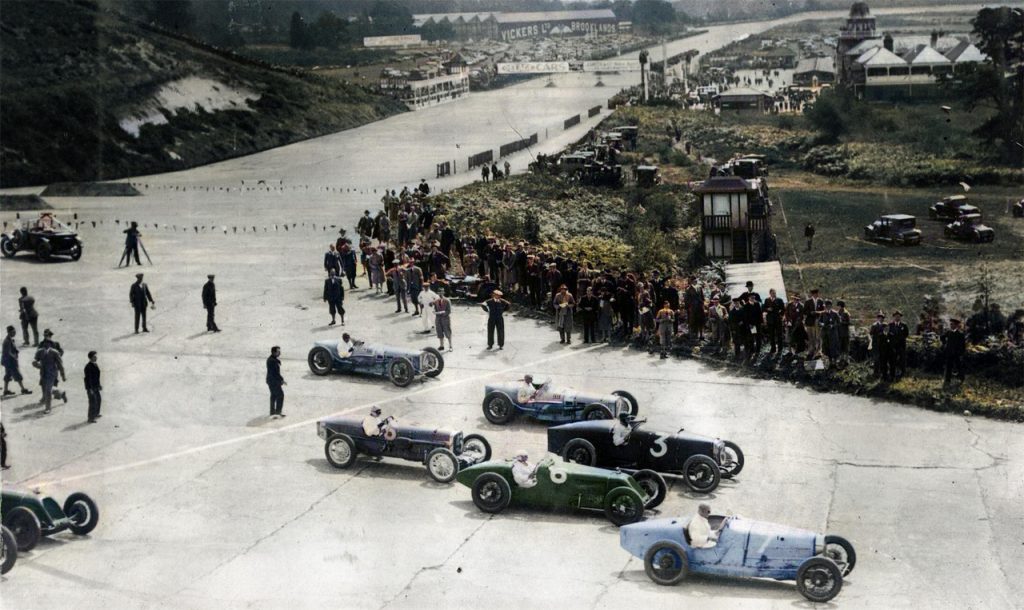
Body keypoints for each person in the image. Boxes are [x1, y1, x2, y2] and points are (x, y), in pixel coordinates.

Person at [34, 342, 66, 413]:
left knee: (48, 390)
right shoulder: (40, 351)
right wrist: (36, 364)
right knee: (47, 389)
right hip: (43, 374)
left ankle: (48, 408)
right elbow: (36, 360)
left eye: (47, 344)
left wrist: (63, 375)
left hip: (52, 374)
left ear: (50, 345)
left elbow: (60, 365)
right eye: (44, 344)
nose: (45, 345)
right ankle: (61, 393)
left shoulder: (55, 352)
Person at [2, 326, 31, 396]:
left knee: (8, 375)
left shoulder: (9, 339)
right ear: (9, 332)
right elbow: (8, 352)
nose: (14, 333)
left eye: (14, 332)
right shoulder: (7, 341)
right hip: (10, 361)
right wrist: (14, 357)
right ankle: (23, 389)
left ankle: (5, 390)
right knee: (17, 375)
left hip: (7, 361)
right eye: (13, 332)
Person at [942, 318, 966, 384]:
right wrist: (944, 344)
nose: (951, 325)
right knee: (948, 367)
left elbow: (963, 345)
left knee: (959, 366)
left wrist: (961, 353)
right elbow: (942, 337)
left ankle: (961, 379)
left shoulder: (960, 334)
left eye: (952, 324)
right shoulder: (949, 332)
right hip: (949, 352)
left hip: (957, 353)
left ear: (956, 325)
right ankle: (947, 380)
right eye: (951, 324)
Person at [763, 289, 785, 355]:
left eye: (775, 293)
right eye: (773, 293)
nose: (774, 294)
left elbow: (783, 309)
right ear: (770, 293)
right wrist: (767, 309)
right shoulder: (767, 300)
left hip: (778, 320)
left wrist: (780, 315)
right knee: (771, 335)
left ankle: (780, 349)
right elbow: (763, 308)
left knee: (779, 335)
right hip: (770, 320)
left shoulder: (779, 300)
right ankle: (773, 348)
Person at [889, 310, 909, 380]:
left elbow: (906, 334)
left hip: (901, 345)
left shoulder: (904, 325)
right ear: (894, 317)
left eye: (899, 316)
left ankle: (902, 373)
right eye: (896, 316)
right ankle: (892, 374)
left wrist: (900, 338)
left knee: (902, 360)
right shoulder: (890, 325)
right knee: (893, 360)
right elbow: (888, 335)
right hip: (893, 346)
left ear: (900, 317)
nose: (897, 318)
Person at [266, 346, 285, 418]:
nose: (279, 353)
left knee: (273, 396)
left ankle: (273, 412)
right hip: (273, 381)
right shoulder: (272, 361)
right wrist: (281, 380)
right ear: (273, 352)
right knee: (280, 395)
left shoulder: (272, 359)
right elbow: (275, 373)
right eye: (278, 351)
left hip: (271, 380)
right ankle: (277, 412)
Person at [84, 351, 101, 423]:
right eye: (94, 356)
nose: (96, 357)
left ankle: (96, 414)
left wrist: (99, 385)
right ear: (91, 358)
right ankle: (90, 418)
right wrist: (90, 389)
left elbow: (97, 377)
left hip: (96, 386)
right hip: (91, 387)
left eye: (96, 356)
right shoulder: (88, 367)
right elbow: (88, 379)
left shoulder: (95, 365)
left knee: (98, 399)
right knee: (92, 402)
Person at [869, 312, 887, 378]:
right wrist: (877, 333)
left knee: (882, 358)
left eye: (882, 318)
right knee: (876, 358)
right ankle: (876, 372)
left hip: (883, 344)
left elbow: (887, 333)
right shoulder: (874, 325)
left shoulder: (885, 325)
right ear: (878, 318)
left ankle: (882, 372)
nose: (881, 319)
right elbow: (871, 333)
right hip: (876, 344)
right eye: (879, 318)